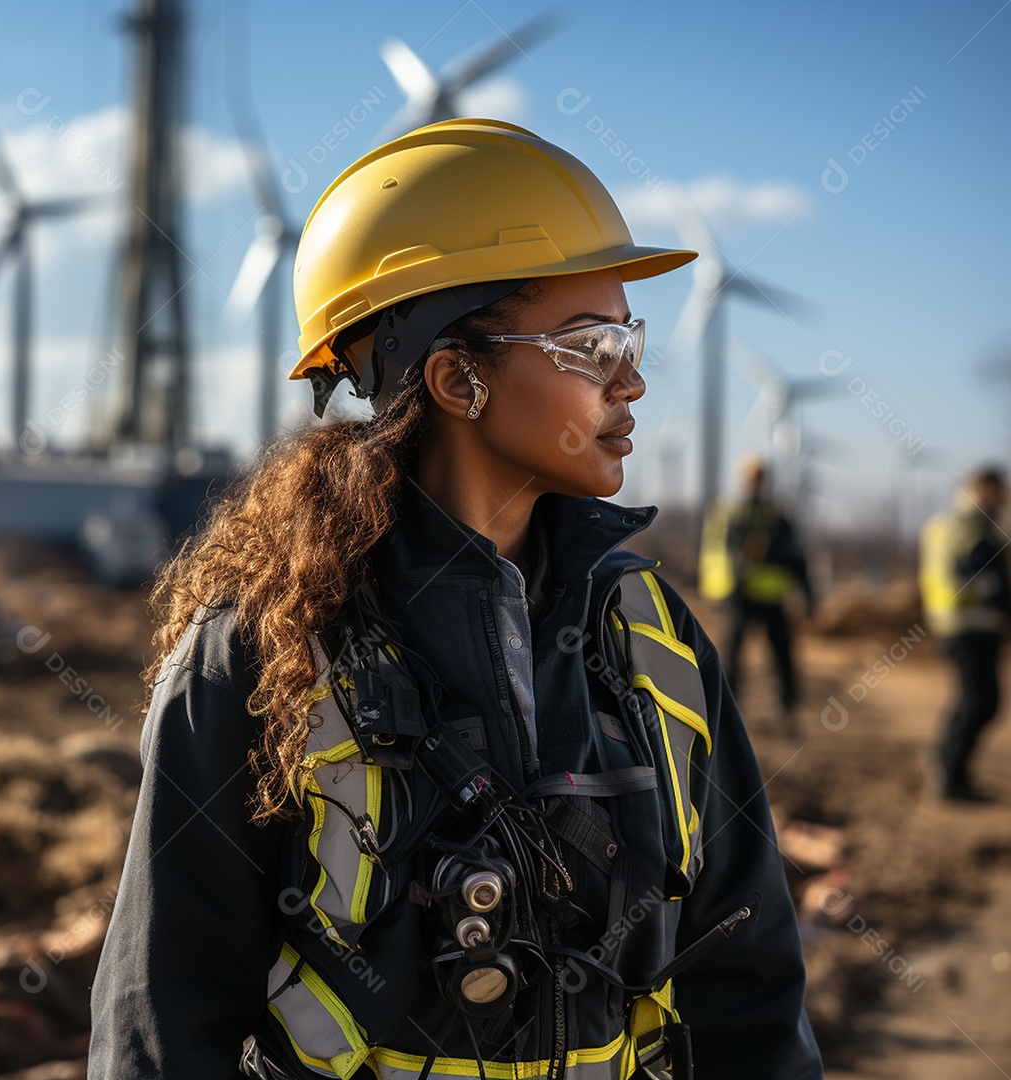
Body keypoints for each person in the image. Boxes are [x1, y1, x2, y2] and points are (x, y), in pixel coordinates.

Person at [88, 119, 822, 1080]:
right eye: (591, 345)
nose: (633, 380)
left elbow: (748, 985)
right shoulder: (262, 652)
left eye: (630, 337)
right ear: (456, 378)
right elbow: (162, 1020)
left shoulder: (653, 638)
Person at [699, 456, 813, 730]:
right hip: (740, 594)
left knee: (782, 654)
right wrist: (726, 581)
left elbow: (797, 557)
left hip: (771, 597)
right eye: (754, 477)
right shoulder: (732, 514)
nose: (757, 482)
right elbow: (720, 552)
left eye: (760, 477)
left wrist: (808, 593)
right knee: (731, 653)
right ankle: (726, 711)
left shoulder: (776, 516)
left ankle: (787, 709)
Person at [920, 466, 1011, 802]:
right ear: (984, 491)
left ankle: (948, 764)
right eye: (999, 493)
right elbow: (982, 577)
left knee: (975, 699)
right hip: (971, 625)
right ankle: (949, 772)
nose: (1003, 500)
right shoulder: (975, 530)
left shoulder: (948, 525)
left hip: (958, 624)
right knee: (980, 700)